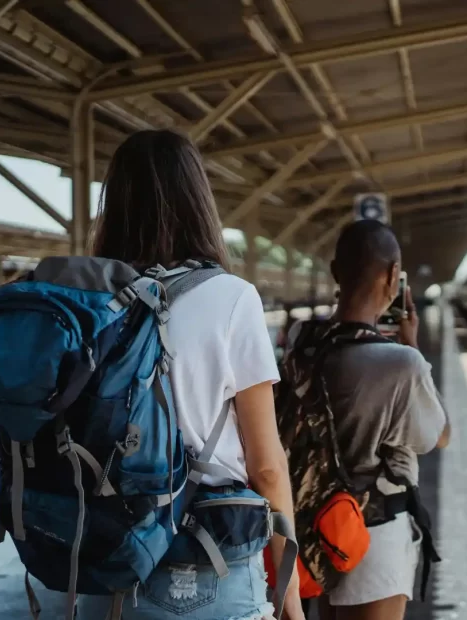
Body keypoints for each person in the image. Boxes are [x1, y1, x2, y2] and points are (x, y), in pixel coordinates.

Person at [77, 129, 304, 620]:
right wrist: (290, 598)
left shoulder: (84, 303)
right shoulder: (232, 298)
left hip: (103, 567)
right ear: (198, 202)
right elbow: (266, 466)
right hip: (210, 565)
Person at [286, 220, 450, 620]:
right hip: (374, 532)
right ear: (393, 276)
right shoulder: (401, 363)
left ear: (334, 271)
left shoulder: (300, 342)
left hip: (315, 527)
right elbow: (439, 436)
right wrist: (412, 346)